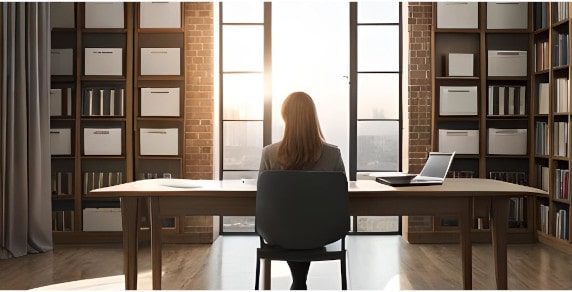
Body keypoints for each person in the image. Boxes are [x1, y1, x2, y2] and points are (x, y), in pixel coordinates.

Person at [259, 91, 345, 290]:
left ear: (286, 117)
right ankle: (300, 282)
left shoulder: (269, 153)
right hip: (321, 233)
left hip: (278, 233)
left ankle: (298, 283)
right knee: (305, 225)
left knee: (291, 224)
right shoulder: (333, 154)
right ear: (313, 117)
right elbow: (341, 195)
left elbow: (262, 196)